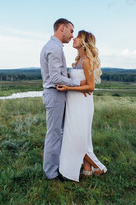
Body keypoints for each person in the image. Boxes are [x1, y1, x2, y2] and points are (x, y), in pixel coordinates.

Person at [57, 30, 107, 182]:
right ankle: (87, 169)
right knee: (80, 138)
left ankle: (99, 167)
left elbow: (91, 87)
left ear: (85, 42)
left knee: (76, 138)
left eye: (78, 37)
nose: (74, 38)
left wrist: (68, 88)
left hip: (82, 105)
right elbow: (83, 81)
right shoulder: (78, 60)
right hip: (74, 103)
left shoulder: (86, 61)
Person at [40, 18, 85, 180]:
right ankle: (51, 173)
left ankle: (63, 166)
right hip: (54, 93)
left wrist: (66, 75)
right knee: (54, 134)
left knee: (60, 132)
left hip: (58, 93)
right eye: (71, 31)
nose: (72, 35)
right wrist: (78, 83)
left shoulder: (55, 47)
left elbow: (58, 74)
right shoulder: (53, 48)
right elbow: (55, 78)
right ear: (62, 28)